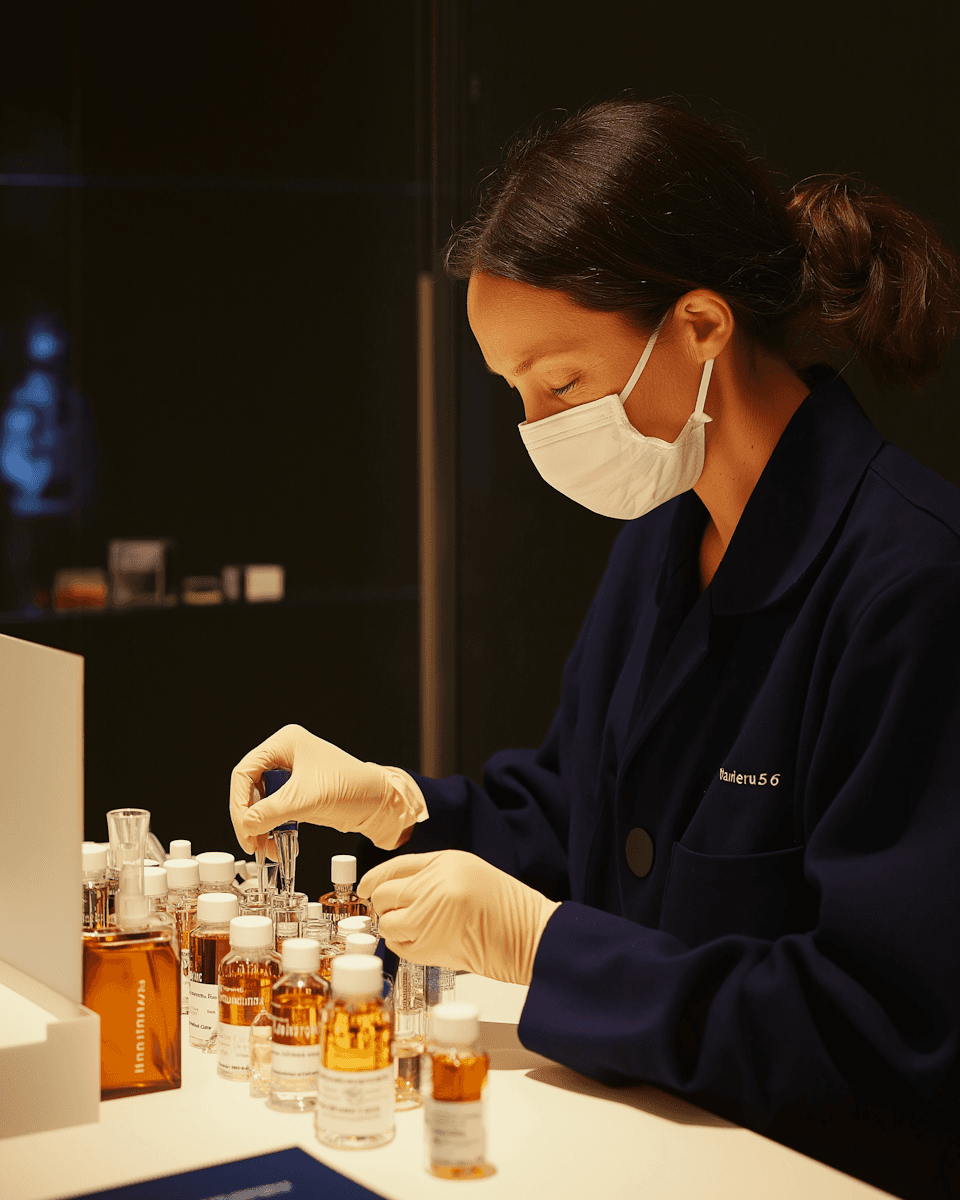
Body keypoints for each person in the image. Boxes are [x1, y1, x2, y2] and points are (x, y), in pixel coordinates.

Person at [230, 99, 960, 1198]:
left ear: (701, 326)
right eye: (515, 393)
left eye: (562, 383)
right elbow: (583, 815)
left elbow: (881, 1032)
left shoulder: (913, 584)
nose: (537, 429)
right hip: (642, 1138)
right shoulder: (664, 538)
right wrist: (400, 805)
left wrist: (544, 949)